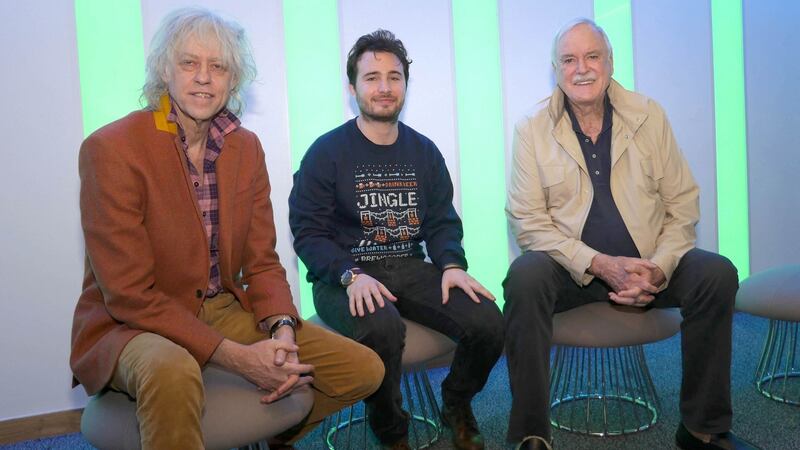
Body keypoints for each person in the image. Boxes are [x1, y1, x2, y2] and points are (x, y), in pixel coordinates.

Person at [69, 8, 382, 450]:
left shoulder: (245, 147)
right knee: (172, 370)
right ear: (164, 69)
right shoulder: (111, 149)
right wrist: (239, 359)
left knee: (363, 370)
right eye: (189, 63)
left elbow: (261, 260)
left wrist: (282, 333)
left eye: (218, 67)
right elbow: (128, 294)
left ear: (233, 80)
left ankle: (280, 433)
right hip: (133, 324)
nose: (203, 78)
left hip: (221, 307)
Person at [503, 18, 759, 450]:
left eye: (592, 57)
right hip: (572, 269)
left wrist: (658, 269)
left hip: (646, 263)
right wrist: (599, 264)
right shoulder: (532, 129)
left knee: (717, 273)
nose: (581, 68)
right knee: (524, 277)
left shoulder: (648, 115)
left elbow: (683, 205)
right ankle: (531, 435)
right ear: (555, 69)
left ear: (609, 62)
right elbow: (527, 221)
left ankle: (703, 428)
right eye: (569, 59)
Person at [289, 29, 504, 450]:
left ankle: (456, 403)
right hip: (344, 278)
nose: (384, 87)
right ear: (353, 88)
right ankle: (392, 434)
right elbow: (308, 233)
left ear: (406, 84)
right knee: (382, 328)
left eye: (394, 76)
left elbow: (442, 221)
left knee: (489, 321)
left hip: (409, 267)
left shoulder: (424, 152)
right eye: (372, 78)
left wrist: (452, 265)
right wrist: (350, 275)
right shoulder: (326, 153)